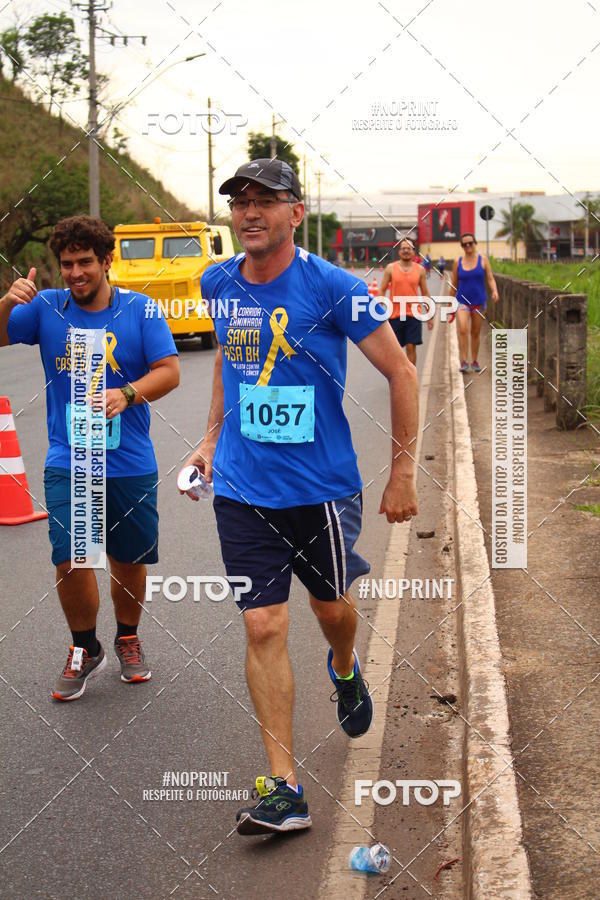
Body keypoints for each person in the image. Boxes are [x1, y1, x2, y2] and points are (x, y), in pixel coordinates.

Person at [181, 159, 418, 836]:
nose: (250, 212)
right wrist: (207, 441)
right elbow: (233, 365)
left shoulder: (333, 287)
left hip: (320, 490)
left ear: (294, 210)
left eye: (265, 201)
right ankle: (284, 788)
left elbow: (401, 373)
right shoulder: (216, 281)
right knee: (263, 624)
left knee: (331, 611)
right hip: (243, 486)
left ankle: (344, 666)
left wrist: (402, 475)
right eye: (239, 202)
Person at [0, 215, 179, 700]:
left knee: (128, 558)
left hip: (130, 459)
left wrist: (129, 393)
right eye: (66, 264)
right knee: (73, 558)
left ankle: (127, 637)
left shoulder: (140, 310)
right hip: (70, 457)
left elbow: (170, 371)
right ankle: (84, 647)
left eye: (85, 262)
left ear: (105, 261)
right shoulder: (46, 308)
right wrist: (6, 304)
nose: (75, 273)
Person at [379, 237, 434, 366]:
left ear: (413, 252)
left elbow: (425, 292)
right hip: (395, 315)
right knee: (395, 350)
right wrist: (380, 308)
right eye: (403, 248)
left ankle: (411, 379)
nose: (406, 251)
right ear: (399, 252)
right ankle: (398, 378)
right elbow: (381, 289)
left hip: (413, 314)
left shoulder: (420, 270)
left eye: (409, 248)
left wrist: (430, 315)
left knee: (411, 347)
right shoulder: (390, 268)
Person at [450, 232, 498, 373]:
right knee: (463, 330)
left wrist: (494, 291)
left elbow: (490, 278)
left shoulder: (483, 260)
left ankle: (475, 361)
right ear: (462, 246)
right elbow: (454, 283)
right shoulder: (457, 262)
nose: (468, 246)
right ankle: (464, 361)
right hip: (462, 302)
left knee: (475, 332)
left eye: (470, 243)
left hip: (479, 301)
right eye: (465, 244)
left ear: (475, 243)